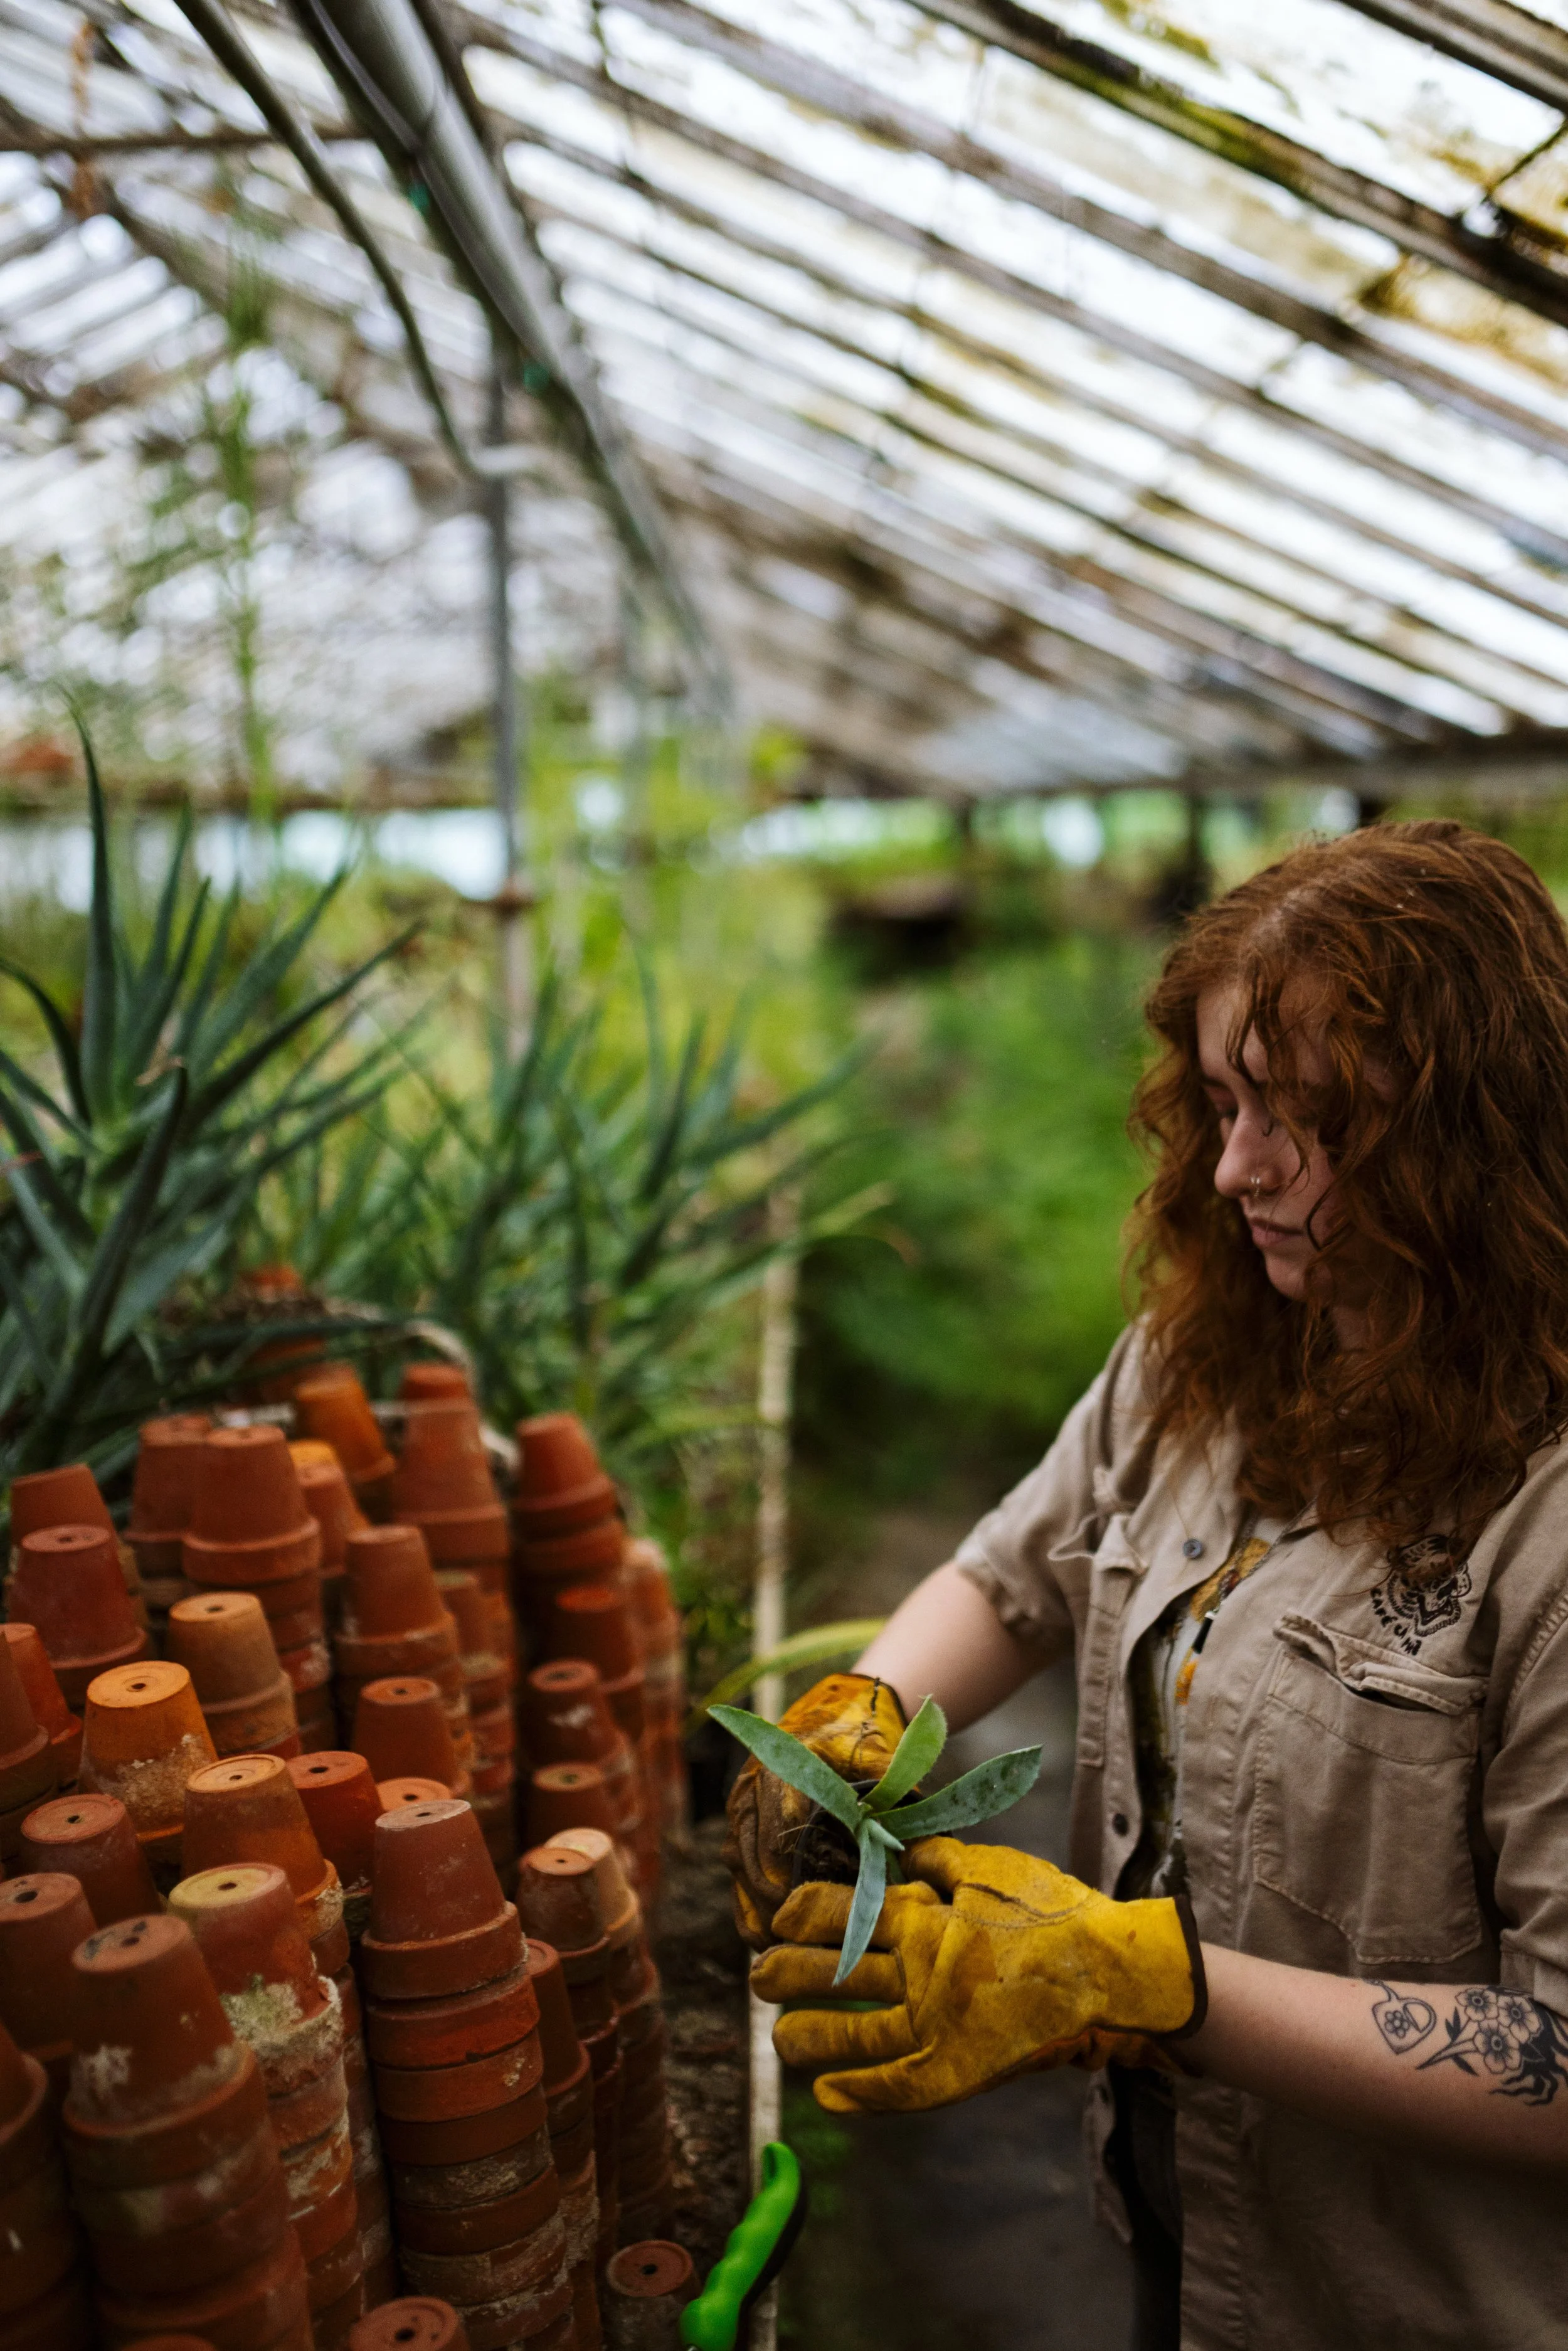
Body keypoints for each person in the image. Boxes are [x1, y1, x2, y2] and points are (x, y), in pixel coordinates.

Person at [726, 820, 1568, 2350]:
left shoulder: (1546, 1520)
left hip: (1409, 2296)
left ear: (1471, 1135)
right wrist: (858, 1713)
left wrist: (1139, 1976)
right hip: (1186, 2206)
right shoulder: (1216, 1355)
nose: (1236, 1165)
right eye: (1222, 1098)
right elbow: (1015, 1572)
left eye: (1305, 1116)